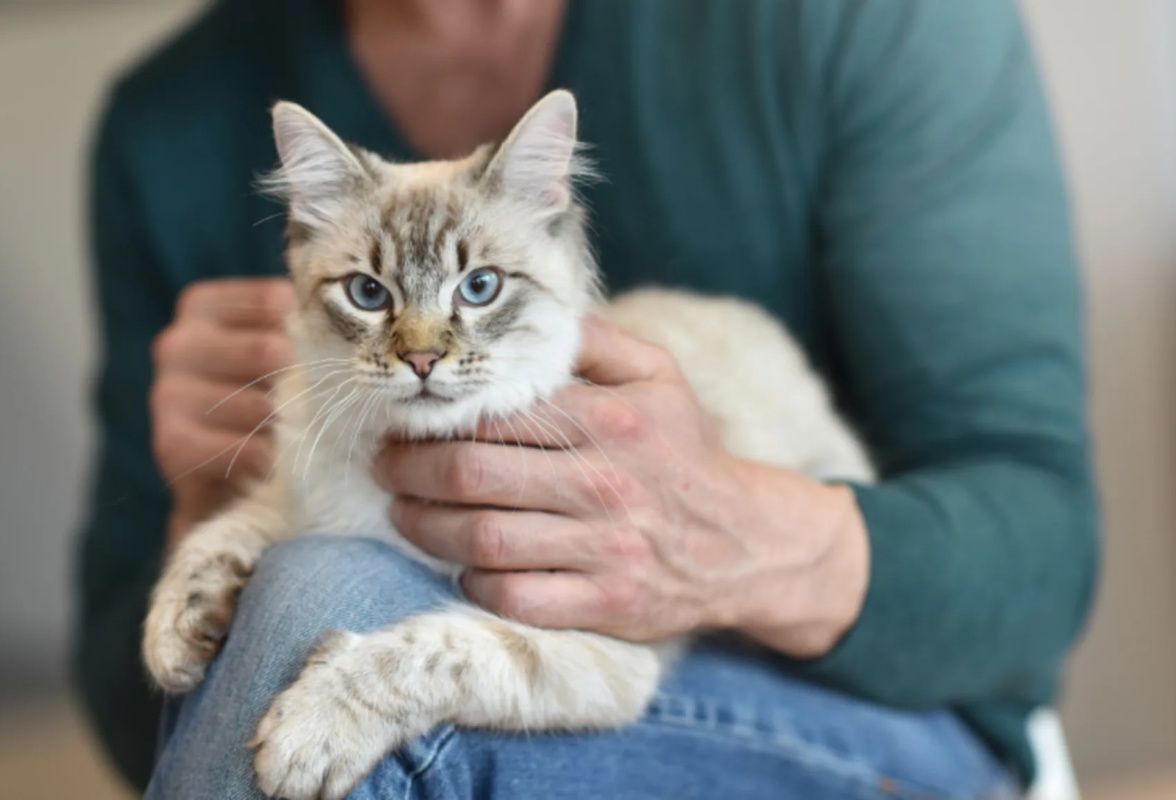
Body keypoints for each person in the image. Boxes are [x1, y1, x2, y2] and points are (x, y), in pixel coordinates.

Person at [75, 0, 1097, 797]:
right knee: (308, 584)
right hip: (414, 664)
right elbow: (146, 716)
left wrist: (733, 536)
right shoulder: (170, 123)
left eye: (477, 291)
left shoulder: (861, 23)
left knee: (319, 596)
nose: (422, 349)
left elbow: (1044, 551)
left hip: (855, 701)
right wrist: (207, 510)